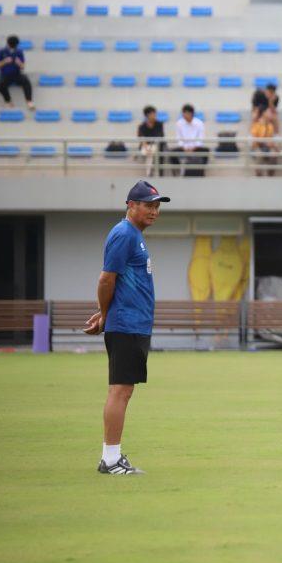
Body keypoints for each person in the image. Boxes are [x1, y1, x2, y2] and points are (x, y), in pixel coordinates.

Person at [83, 180, 171, 475]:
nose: (154, 211)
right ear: (131, 205)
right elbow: (106, 279)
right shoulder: (124, 234)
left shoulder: (134, 235)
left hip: (133, 324)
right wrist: (105, 313)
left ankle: (111, 457)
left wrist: (106, 313)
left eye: (157, 206)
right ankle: (110, 459)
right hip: (126, 324)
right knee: (120, 391)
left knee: (123, 390)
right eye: (148, 205)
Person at [0, 35, 34, 110]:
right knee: (0, 85)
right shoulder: (1, 51)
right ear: (8, 44)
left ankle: (29, 102)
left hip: (16, 74)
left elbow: (22, 67)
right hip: (5, 75)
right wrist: (4, 61)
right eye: (12, 45)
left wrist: (19, 63)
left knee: (26, 81)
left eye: (14, 46)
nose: (13, 47)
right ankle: (8, 101)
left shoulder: (19, 52)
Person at [173, 104, 208, 177]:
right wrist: (184, 148)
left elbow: (200, 139)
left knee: (206, 151)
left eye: (187, 113)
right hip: (184, 148)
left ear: (192, 113)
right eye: (184, 113)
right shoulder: (179, 123)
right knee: (171, 153)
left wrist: (193, 147)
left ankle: (201, 171)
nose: (185, 115)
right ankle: (177, 172)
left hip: (195, 148)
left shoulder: (199, 123)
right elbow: (179, 138)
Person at [136, 105, 165, 177]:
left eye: (155, 113)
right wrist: (146, 146)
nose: (154, 115)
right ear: (147, 115)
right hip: (146, 146)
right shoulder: (142, 126)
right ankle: (150, 173)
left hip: (157, 145)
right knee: (149, 153)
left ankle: (151, 173)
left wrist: (151, 147)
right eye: (152, 114)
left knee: (152, 152)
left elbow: (159, 136)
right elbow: (142, 138)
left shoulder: (159, 124)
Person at [250, 107, 278, 177]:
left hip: (267, 147)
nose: (271, 114)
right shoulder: (256, 124)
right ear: (263, 113)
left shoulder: (270, 125)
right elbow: (254, 140)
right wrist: (265, 142)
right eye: (269, 112)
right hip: (257, 147)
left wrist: (272, 144)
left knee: (274, 154)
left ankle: (270, 175)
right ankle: (259, 175)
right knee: (259, 154)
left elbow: (271, 138)